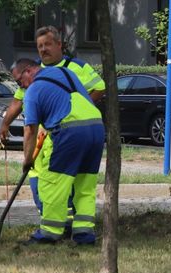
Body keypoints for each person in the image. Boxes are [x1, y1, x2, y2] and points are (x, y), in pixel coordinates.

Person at [0, 26, 105, 232]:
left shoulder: (73, 68)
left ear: (59, 44)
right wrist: (5, 124)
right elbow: (18, 102)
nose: (43, 49)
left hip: (65, 134)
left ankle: (52, 230)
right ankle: (81, 231)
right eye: (39, 46)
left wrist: (75, 113)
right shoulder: (35, 75)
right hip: (58, 137)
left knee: (56, 183)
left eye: (47, 44)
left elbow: (98, 88)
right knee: (68, 183)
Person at [12, 58, 104, 245]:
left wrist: (27, 160)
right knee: (84, 185)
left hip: (70, 131)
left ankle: (49, 233)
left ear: (28, 71)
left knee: (52, 182)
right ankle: (84, 234)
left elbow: (30, 130)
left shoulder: (33, 91)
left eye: (19, 82)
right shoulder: (65, 73)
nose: (21, 87)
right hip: (96, 128)